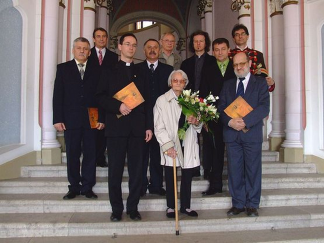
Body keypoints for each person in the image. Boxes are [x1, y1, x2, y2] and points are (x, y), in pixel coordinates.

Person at [96, 33, 153, 222]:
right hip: (116, 129)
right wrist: (117, 106)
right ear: (119, 46)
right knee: (115, 171)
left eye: (133, 45)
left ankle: (133, 207)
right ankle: (116, 209)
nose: (131, 47)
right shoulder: (108, 71)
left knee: (137, 171)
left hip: (137, 129)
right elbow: (100, 97)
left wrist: (148, 127)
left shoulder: (141, 71)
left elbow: (147, 103)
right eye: (127, 44)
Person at [218, 52, 270, 217]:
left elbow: (264, 107)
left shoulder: (260, 83)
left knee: (253, 170)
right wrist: (230, 122)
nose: (239, 67)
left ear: (248, 64)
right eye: (235, 65)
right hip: (232, 135)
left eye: (241, 64)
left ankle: (252, 204)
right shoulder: (227, 84)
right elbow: (221, 108)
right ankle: (238, 204)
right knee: (234, 170)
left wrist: (245, 121)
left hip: (251, 134)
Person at [53, 37, 104, 200]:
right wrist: (57, 118)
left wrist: (102, 118)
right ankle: (74, 187)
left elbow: (102, 96)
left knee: (90, 153)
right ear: (73, 50)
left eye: (85, 48)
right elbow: (58, 95)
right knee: (73, 153)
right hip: (70, 118)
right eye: (79, 48)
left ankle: (88, 187)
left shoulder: (97, 70)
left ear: (89, 52)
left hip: (92, 118)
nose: (82, 51)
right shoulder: (63, 68)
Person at [154, 70, 202, 218]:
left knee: (187, 175)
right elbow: (158, 126)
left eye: (181, 81)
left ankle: (186, 206)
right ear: (170, 83)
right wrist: (167, 146)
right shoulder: (162, 100)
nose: (178, 83)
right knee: (170, 175)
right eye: (175, 80)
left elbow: (199, 122)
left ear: (185, 83)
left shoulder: (191, 100)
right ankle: (171, 206)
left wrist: (196, 122)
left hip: (187, 142)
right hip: (171, 142)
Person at [136, 39, 173, 196]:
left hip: (161, 120)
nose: (152, 50)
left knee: (158, 155)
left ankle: (156, 185)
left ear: (160, 50)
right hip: (140, 118)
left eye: (155, 48)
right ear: (144, 51)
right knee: (141, 155)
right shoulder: (136, 69)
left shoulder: (168, 70)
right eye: (149, 47)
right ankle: (141, 185)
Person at [200, 38, 236, 195]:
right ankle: (215, 185)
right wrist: (205, 116)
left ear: (228, 49)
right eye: (216, 49)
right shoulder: (207, 69)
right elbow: (203, 93)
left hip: (235, 115)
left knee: (235, 152)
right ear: (213, 51)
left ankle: (237, 186)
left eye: (223, 49)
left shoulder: (237, 66)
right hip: (214, 116)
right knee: (216, 152)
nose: (220, 52)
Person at [180, 30, 216, 177]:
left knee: (207, 137)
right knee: (191, 137)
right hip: (190, 104)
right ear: (192, 43)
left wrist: (208, 103)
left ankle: (207, 168)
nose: (198, 43)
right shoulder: (186, 63)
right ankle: (193, 167)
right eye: (195, 41)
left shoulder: (213, 61)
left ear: (206, 43)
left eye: (201, 41)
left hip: (207, 104)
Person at [88, 27, 118, 168]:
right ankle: (92, 157)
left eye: (104, 36)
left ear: (107, 38)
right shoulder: (88, 54)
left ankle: (101, 157)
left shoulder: (113, 56)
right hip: (91, 98)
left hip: (106, 98)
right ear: (94, 38)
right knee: (92, 131)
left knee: (105, 129)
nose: (101, 39)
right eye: (98, 36)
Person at [229, 24, 275, 92]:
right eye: (237, 34)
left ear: (248, 36)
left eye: (243, 34)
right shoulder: (229, 55)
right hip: (234, 90)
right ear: (233, 38)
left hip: (253, 91)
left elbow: (262, 77)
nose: (240, 36)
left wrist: (271, 84)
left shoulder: (257, 54)